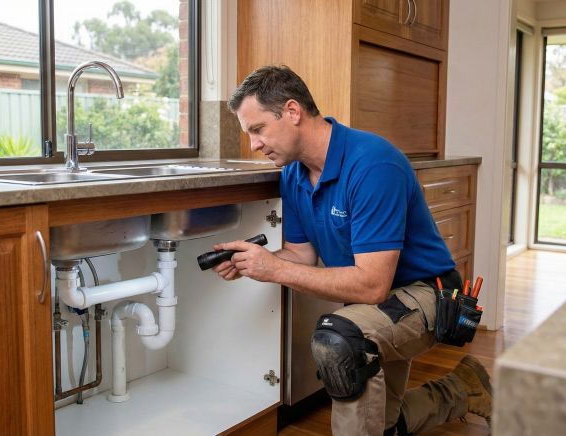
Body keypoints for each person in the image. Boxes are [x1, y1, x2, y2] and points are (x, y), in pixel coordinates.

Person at [211, 65, 492, 435]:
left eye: (258, 129)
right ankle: (464, 388)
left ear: (292, 112)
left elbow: (372, 285)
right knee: (381, 425)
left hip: (429, 294)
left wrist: (274, 270)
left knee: (340, 340)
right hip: (377, 304)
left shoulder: (373, 163)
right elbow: (300, 256)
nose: (254, 144)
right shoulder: (295, 175)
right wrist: (255, 262)